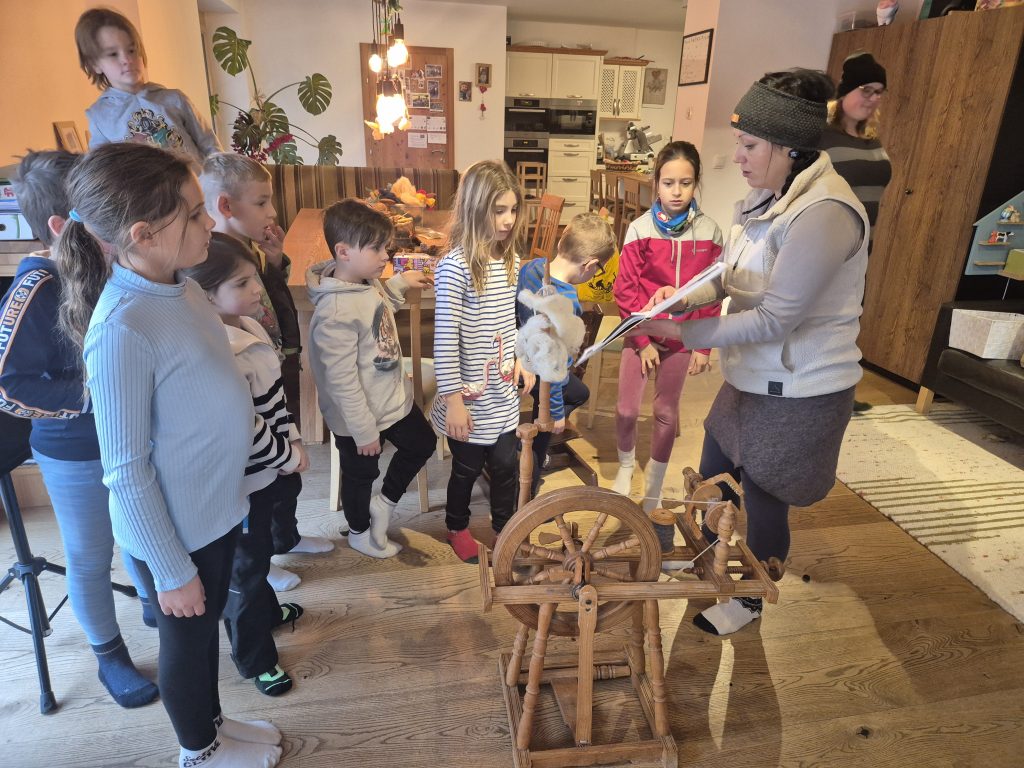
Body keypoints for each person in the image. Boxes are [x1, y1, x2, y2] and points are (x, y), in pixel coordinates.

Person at [56, 142, 281, 767]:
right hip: (173, 533)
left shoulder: (182, 288)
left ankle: (215, 725)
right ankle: (199, 751)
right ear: (143, 234)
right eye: (194, 212)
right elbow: (125, 471)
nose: (210, 221)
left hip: (213, 509)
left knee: (206, 636)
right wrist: (169, 568)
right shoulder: (121, 328)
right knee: (186, 642)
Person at [637, 69, 869, 636]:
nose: (737, 157)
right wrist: (681, 297)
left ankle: (751, 599)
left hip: (799, 390)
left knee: (765, 495)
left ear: (788, 147)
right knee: (713, 477)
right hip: (754, 378)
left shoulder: (826, 213)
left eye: (749, 145)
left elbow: (774, 319)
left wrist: (683, 334)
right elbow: (730, 276)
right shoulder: (769, 198)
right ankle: (707, 561)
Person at [0, 150, 158, 709]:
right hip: (74, 450)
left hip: (129, 434)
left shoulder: (104, 265)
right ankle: (108, 653)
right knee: (91, 554)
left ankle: (151, 599)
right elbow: (8, 385)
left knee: (139, 526)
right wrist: (96, 394)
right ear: (60, 225)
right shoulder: (35, 286)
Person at [180, 233, 310, 698]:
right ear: (205, 295)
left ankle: (268, 614)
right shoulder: (220, 348)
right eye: (241, 283)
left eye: (255, 276)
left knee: (258, 555)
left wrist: (292, 441)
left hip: (267, 471)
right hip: (245, 481)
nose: (257, 289)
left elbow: (274, 405)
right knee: (244, 572)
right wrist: (287, 455)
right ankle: (254, 658)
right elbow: (246, 426)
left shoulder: (248, 327)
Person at [201, 152, 323, 591]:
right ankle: (260, 561)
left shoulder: (249, 252)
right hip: (250, 382)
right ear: (226, 206)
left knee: (286, 479)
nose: (272, 212)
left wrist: (274, 262)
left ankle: (285, 537)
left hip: (273, 365)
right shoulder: (213, 262)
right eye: (262, 202)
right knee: (259, 489)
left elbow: (273, 304)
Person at [306, 200, 436, 558]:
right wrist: (364, 431)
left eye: (385, 247)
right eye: (377, 248)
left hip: (390, 401)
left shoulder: (364, 284)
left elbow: (376, 317)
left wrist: (398, 283)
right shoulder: (335, 312)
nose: (385, 256)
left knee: (422, 443)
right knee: (360, 476)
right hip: (357, 419)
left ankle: (385, 503)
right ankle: (359, 532)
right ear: (343, 252)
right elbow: (341, 382)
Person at [431, 160, 535, 563]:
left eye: (513, 210)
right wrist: (454, 402)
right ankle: (456, 526)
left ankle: (505, 527)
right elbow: (444, 343)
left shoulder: (510, 260)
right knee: (466, 469)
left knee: (507, 464)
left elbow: (510, 321)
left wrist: (521, 359)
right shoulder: (454, 268)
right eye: (498, 210)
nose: (508, 220)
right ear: (475, 209)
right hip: (468, 399)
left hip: (502, 393)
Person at [612, 141, 723, 511]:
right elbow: (625, 291)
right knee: (626, 411)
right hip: (641, 334)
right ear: (656, 184)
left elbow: (713, 292)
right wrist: (642, 341)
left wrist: (703, 346)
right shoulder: (639, 229)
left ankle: (655, 485)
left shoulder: (710, 232)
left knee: (665, 412)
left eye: (685, 183)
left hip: (682, 337)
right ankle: (626, 466)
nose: (676, 192)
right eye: (668, 183)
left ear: (696, 184)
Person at [516, 212, 616, 497]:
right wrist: (556, 412)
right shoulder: (568, 301)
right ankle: (530, 481)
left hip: (519, 357)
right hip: (541, 373)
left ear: (562, 242)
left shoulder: (532, 267)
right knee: (555, 414)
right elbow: (555, 364)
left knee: (578, 392)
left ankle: (536, 437)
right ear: (591, 265)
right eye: (597, 270)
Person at [820, 52, 891, 414]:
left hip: (863, 246)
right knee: (821, 319)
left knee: (849, 319)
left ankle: (839, 392)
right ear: (845, 90)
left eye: (879, 92)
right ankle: (815, 391)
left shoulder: (871, 140)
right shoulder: (821, 138)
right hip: (827, 243)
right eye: (866, 89)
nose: (873, 98)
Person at [75, 7, 220, 166]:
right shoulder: (100, 116)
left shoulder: (174, 99)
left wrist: (222, 176)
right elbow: (99, 169)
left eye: (131, 50)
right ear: (94, 64)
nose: (127, 59)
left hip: (197, 180)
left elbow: (210, 145)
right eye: (113, 54)